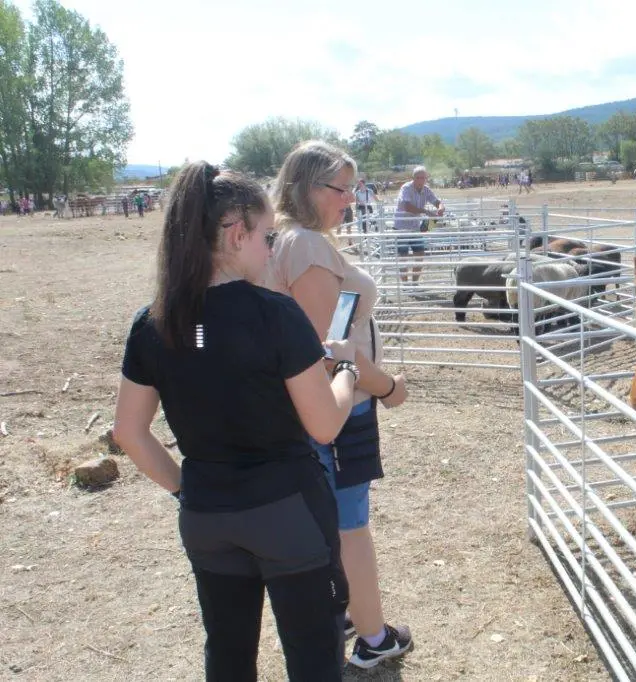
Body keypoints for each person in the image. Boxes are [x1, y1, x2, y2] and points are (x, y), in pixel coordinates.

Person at [112, 162, 358, 680]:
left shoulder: (154, 321)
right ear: (235, 232)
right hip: (287, 511)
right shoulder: (274, 314)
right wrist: (349, 372)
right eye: (267, 236)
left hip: (207, 516)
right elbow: (324, 426)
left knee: (226, 652)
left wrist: (187, 489)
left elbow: (129, 432)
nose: (271, 250)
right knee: (315, 656)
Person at [266, 140, 413, 670]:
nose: (350, 199)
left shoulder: (287, 239)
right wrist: (387, 386)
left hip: (321, 401)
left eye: (352, 187)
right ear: (309, 187)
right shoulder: (304, 245)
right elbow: (328, 349)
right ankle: (373, 638)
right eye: (341, 188)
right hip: (339, 403)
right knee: (351, 524)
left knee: (333, 516)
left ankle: (351, 610)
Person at [393, 166, 444, 284]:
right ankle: (405, 285)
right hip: (401, 227)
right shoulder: (406, 188)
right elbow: (407, 206)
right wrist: (425, 211)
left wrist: (441, 208)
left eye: (423, 178)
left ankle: (414, 283)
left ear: (426, 178)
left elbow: (437, 202)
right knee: (403, 257)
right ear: (413, 178)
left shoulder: (426, 190)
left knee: (420, 255)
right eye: (418, 178)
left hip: (415, 227)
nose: (421, 180)